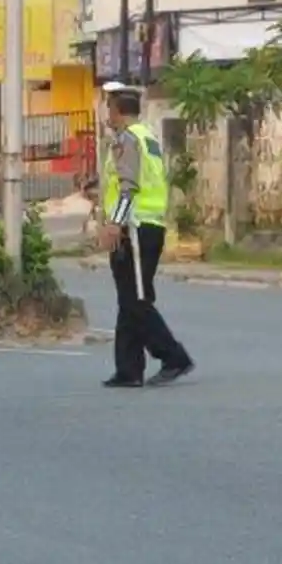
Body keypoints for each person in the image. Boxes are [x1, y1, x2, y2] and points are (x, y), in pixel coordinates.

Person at [96, 81, 195, 388]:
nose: (106, 114)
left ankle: (174, 356)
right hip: (149, 224)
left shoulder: (127, 139)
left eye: (108, 108)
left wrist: (115, 223)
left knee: (136, 301)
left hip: (134, 229)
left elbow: (129, 186)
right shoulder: (148, 136)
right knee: (129, 299)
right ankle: (128, 369)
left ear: (117, 111)